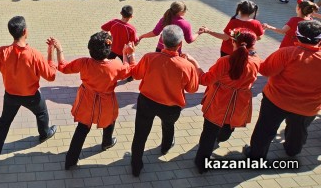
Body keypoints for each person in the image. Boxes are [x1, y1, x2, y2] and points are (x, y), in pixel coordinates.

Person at [0, 16, 58, 168]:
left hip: (10, 96)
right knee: (42, 113)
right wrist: (50, 53)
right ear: (25, 31)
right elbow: (51, 76)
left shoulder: (2, 52)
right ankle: (44, 134)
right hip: (31, 96)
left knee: (3, 124)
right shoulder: (35, 54)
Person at [128, 25, 200, 177]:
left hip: (147, 101)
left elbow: (136, 75)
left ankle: (136, 164)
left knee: (140, 133)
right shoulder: (186, 66)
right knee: (168, 126)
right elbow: (192, 89)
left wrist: (131, 56)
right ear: (180, 44)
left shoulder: (149, 57)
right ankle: (165, 147)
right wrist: (193, 64)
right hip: (171, 107)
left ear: (162, 41)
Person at [57, 31, 135, 170]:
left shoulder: (83, 62)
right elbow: (130, 70)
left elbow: (63, 67)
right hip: (106, 101)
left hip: (86, 100)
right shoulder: (115, 66)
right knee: (110, 121)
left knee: (81, 129)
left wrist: (59, 49)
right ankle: (107, 142)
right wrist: (127, 53)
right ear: (108, 49)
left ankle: (70, 160)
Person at [247, 20, 321, 159]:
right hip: (308, 107)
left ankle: (256, 155)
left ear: (297, 35)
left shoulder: (286, 53)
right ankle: (292, 151)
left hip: (277, 101)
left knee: (265, 130)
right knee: (298, 131)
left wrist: (254, 55)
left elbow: (266, 70)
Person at [191, 28, 261, 174]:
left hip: (218, 101)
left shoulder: (224, 61)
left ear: (233, 43)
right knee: (229, 125)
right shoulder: (256, 62)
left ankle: (202, 164)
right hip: (240, 102)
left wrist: (195, 63)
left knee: (208, 134)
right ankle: (222, 138)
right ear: (253, 45)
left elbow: (205, 80)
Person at [200, 0, 264, 57]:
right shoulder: (256, 23)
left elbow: (226, 37)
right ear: (252, 11)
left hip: (228, 51)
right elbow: (258, 38)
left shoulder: (234, 22)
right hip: (246, 52)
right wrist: (263, 29)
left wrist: (209, 31)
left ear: (239, 10)